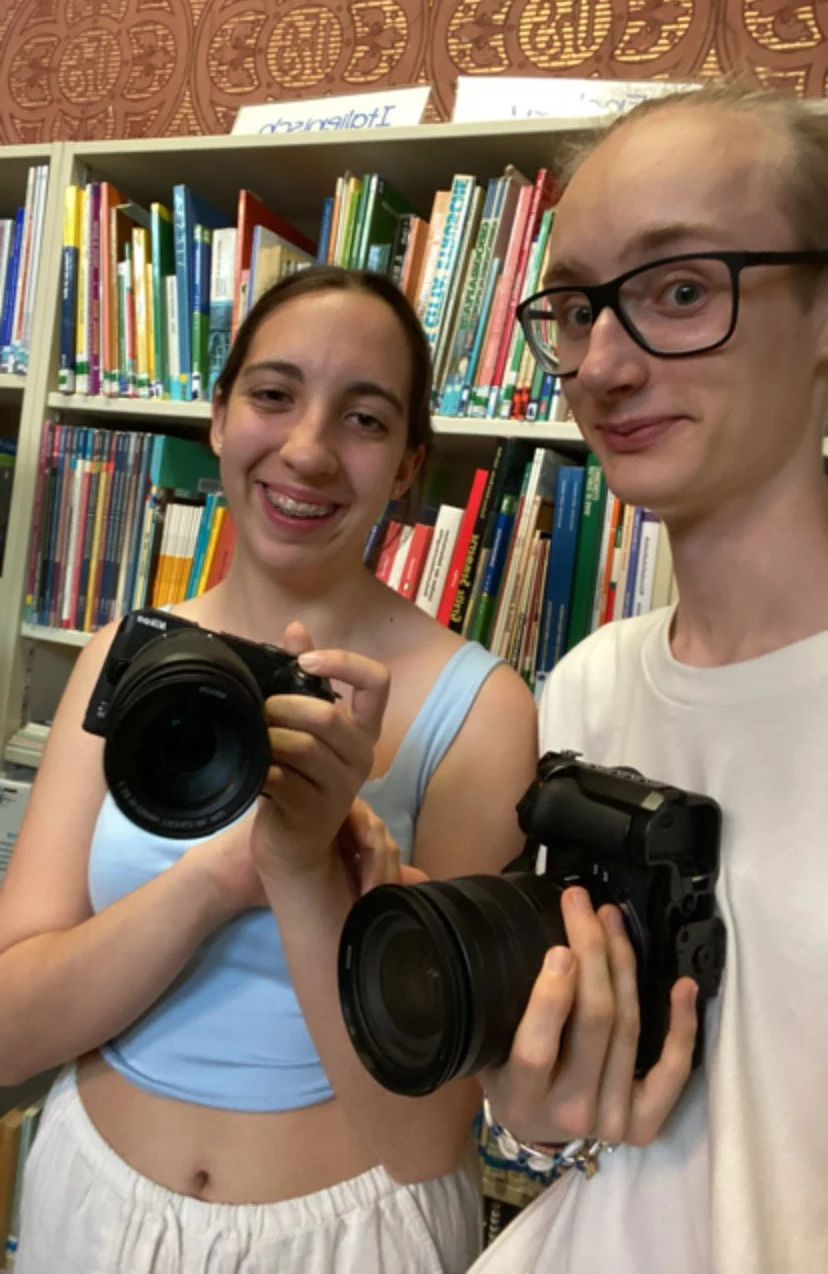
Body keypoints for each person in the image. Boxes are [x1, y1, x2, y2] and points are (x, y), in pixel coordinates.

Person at [0, 266, 538, 1274]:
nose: (306, 449)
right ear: (217, 416)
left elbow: (424, 1136)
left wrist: (305, 864)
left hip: (345, 1234)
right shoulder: (120, 654)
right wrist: (221, 873)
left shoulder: (481, 710)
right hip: (90, 1205)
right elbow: (8, 1026)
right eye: (274, 393)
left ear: (410, 464)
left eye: (365, 418)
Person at [467, 79, 828, 1274]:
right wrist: (539, 1109)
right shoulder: (585, 688)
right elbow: (562, 1128)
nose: (605, 364)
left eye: (679, 289)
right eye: (575, 308)